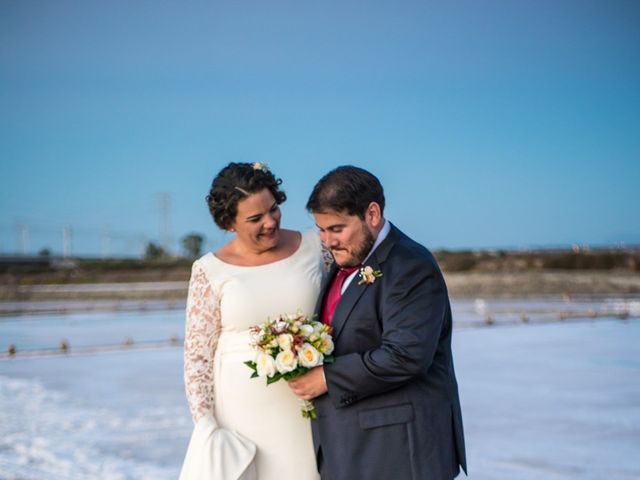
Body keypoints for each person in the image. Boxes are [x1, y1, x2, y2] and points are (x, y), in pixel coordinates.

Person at [288, 166, 467, 480]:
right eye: (321, 229)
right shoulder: (346, 260)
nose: (327, 241)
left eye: (337, 228)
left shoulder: (411, 265)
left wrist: (326, 378)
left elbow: (406, 355)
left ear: (372, 213)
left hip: (400, 452)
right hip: (353, 448)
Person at [180, 162, 323, 480]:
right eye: (256, 218)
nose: (270, 222)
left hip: (310, 406)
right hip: (240, 418)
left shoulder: (316, 248)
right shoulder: (209, 270)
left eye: (273, 209)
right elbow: (197, 358)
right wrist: (207, 429)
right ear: (228, 223)